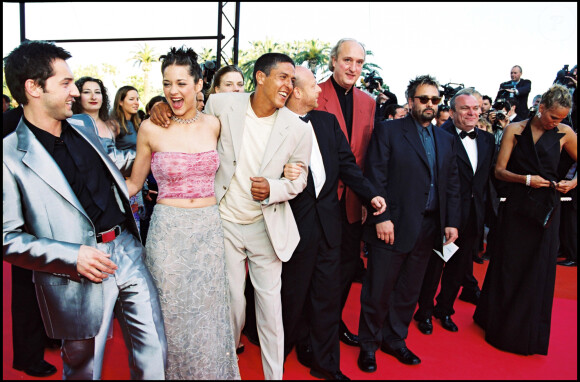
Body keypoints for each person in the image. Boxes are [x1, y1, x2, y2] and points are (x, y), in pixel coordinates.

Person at [3, 39, 166, 380]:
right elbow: (7, 238)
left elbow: (115, 163)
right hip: (78, 269)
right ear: (33, 87)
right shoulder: (8, 156)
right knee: (83, 367)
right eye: (65, 83)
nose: (75, 92)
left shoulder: (84, 126)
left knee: (155, 352)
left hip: (127, 249)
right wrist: (71, 256)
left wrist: (160, 136)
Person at [150, 52, 312, 380]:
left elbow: (300, 178)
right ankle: (229, 370)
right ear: (261, 77)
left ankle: (274, 376)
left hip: (266, 226)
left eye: (292, 81)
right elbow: (189, 117)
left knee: (270, 310)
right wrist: (162, 107)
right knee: (232, 306)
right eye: (283, 77)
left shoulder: (298, 128)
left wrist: (276, 188)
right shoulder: (224, 105)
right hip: (223, 222)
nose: (289, 86)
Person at [125, 46, 240, 380]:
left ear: (199, 84)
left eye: (181, 83)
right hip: (167, 233)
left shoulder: (216, 124)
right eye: (166, 84)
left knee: (208, 314)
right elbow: (134, 184)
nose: (173, 91)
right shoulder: (150, 127)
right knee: (169, 314)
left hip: (208, 231)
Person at [281, 66, 386, 380]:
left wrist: (371, 196)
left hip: (329, 224)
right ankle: (279, 354)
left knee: (327, 297)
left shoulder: (327, 122)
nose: (319, 91)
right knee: (292, 295)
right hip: (293, 226)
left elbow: (348, 166)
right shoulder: (273, 125)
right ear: (296, 91)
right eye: (314, 86)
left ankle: (326, 364)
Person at [357, 74, 460, 372]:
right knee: (378, 288)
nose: (430, 104)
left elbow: (451, 184)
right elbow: (376, 176)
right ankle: (369, 344)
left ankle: (395, 339)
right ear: (411, 100)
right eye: (424, 99)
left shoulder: (446, 139)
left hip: (428, 227)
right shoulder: (388, 131)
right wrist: (382, 217)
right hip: (392, 224)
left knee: (408, 290)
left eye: (435, 100)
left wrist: (451, 221)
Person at [474, 84, 577, 355]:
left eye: (562, 118)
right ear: (540, 107)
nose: (557, 123)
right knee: (508, 264)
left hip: (547, 209)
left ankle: (526, 334)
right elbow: (499, 171)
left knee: (537, 269)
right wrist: (527, 179)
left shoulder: (566, 133)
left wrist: (574, 182)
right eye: (553, 117)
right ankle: (495, 321)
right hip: (518, 206)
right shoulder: (515, 129)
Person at [414, 92, 495, 334]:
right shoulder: (439, 136)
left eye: (476, 108)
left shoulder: (487, 140)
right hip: (445, 214)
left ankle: (445, 310)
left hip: (473, 216)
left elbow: (484, 180)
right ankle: (424, 312)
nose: (472, 113)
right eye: (466, 108)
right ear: (452, 111)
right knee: (435, 266)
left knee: (459, 268)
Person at [315, 38, 376, 347]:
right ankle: (310, 333)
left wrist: (366, 198)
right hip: (317, 200)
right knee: (317, 270)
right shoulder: (313, 94)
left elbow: (365, 156)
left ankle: (333, 325)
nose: (353, 67)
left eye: (359, 62)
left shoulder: (369, 102)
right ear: (334, 61)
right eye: (347, 60)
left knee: (345, 268)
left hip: (352, 202)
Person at [111, 86, 145, 231]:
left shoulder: (138, 124)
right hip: (123, 183)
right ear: (120, 101)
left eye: (137, 99)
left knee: (138, 222)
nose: (136, 102)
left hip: (139, 181)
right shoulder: (114, 124)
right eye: (131, 99)